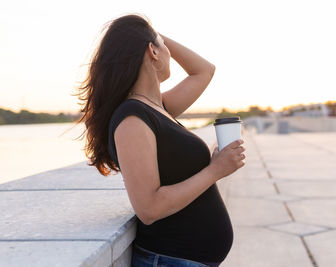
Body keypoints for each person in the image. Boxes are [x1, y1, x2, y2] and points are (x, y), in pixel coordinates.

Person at [77, 13, 246, 267]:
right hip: (169, 261)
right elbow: (149, 208)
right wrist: (215, 170)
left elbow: (204, 70)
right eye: (162, 45)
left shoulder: (159, 107)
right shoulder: (132, 118)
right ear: (153, 52)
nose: (169, 51)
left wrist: (151, 34)